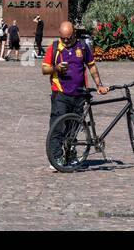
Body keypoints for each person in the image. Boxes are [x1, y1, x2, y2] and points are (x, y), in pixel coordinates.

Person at [43, 21, 107, 170]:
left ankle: (71, 155)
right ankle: (56, 157)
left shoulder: (83, 47)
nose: (65, 41)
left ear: (74, 35)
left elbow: (91, 66)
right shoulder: (54, 47)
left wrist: (99, 85)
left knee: (75, 127)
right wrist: (56, 68)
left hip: (79, 93)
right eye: (63, 38)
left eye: (68, 38)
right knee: (57, 126)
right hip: (60, 93)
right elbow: (44, 69)